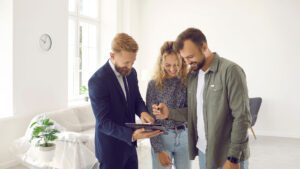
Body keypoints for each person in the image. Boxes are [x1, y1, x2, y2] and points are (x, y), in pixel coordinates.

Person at [153, 28, 251, 169]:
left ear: (204, 47)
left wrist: (233, 158)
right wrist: (169, 113)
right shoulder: (193, 76)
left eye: (190, 57)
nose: (187, 62)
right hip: (204, 151)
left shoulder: (231, 71)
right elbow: (194, 112)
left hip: (227, 156)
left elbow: (242, 117)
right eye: (184, 58)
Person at [89, 33, 162, 169]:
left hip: (130, 148)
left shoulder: (131, 73)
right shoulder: (97, 81)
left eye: (133, 62)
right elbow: (103, 123)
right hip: (110, 150)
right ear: (112, 56)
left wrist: (142, 113)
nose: (130, 66)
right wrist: (132, 135)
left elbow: (136, 99)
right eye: (126, 62)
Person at [146, 41, 191, 169]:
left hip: (183, 137)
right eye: (168, 65)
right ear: (161, 63)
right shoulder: (153, 85)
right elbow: (151, 120)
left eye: (176, 64)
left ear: (182, 62)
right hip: (162, 138)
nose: (172, 69)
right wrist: (158, 150)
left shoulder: (187, 82)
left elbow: (191, 112)